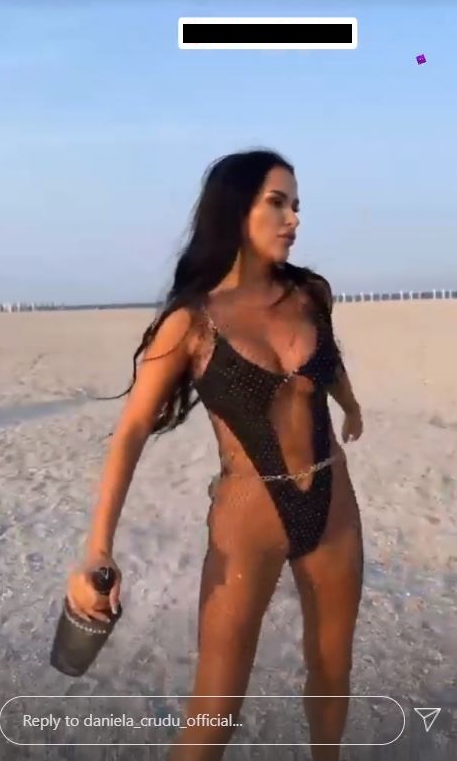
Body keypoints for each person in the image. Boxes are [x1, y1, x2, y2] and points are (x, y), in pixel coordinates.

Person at [67, 149, 364, 761]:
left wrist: (350, 404)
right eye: (277, 203)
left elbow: (327, 361)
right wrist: (98, 547)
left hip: (333, 503)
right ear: (235, 210)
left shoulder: (310, 294)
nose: (294, 219)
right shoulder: (192, 322)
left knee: (332, 670)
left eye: (297, 205)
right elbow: (131, 431)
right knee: (215, 710)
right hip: (246, 521)